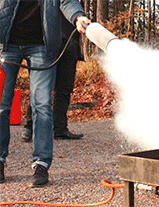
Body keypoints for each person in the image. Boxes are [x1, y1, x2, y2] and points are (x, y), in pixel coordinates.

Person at [0, 0, 91, 187]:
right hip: (6, 45)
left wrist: (78, 16)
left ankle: (41, 164)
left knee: (42, 105)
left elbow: (67, 1)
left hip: (42, 46)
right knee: (1, 105)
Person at [22, 2, 85, 142]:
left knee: (64, 89)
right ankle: (29, 126)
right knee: (41, 87)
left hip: (70, 42)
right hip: (48, 44)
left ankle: (60, 128)